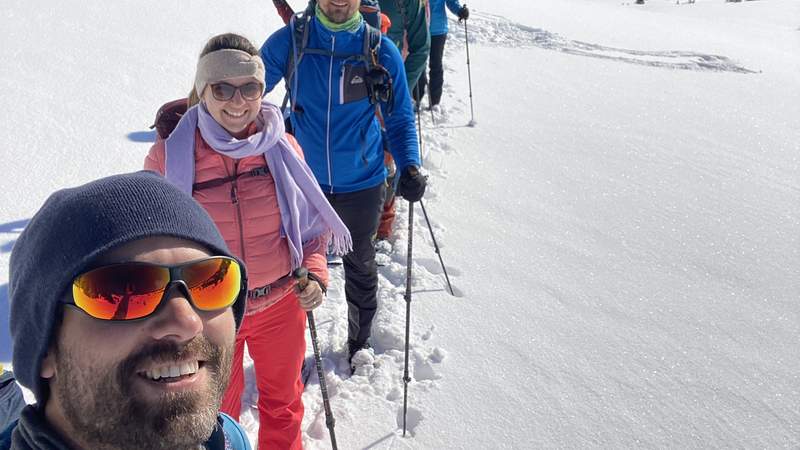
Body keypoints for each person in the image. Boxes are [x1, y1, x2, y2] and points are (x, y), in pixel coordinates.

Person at [145, 33, 351, 450]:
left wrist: (314, 274)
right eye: (222, 88)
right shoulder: (170, 157)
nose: (237, 102)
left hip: (280, 304)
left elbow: (312, 230)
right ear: (203, 90)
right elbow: (151, 242)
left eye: (250, 88)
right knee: (216, 414)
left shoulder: (283, 147)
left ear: (262, 89)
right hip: (212, 313)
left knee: (284, 403)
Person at [2, 171, 251, 450]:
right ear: (45, 346)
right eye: (124, 291)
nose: (186, 321)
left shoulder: (228, 439)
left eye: (210, 280)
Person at [260, 0, 426, 368]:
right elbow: (249, 90)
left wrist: (409, 166)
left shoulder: (378, 49)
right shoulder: (292, 41)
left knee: (361, 263)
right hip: (304, 183)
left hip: (362, 182)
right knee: (296, 269)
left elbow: (399, 117)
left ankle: (359, 341)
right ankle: (289, 353)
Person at [413, 0, 469, 110]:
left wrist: (460, 11)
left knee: (436, 64)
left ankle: (434, 102)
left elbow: (451, 2)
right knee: (418, 64)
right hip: (419, 29)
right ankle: (416, 98)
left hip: (438, 30)